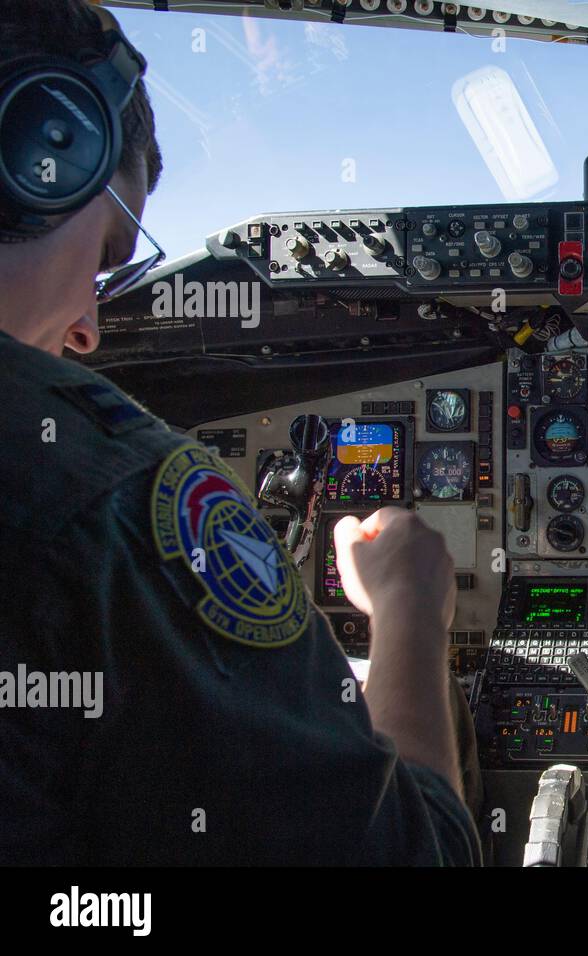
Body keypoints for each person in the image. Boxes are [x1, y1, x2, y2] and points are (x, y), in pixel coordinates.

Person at [0, 0, 478, 865]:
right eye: (108, 256)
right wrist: (410, 608)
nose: (89, 333)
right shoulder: (111, 498)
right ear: (44, 150)